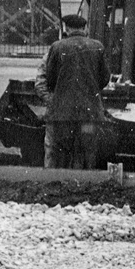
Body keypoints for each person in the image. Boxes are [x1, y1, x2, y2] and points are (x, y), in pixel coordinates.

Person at [34, 13, 110, 169]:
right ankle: (85, 183)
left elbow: (50, 78)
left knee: (56, 150)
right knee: (87, 149)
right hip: (90, 114)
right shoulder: (98, 47)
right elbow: (104, 79)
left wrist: (56, 97)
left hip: (62, 116)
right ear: (85, 28)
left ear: (66, 29)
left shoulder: (57, 47)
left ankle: (53, 182)